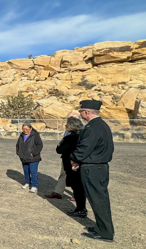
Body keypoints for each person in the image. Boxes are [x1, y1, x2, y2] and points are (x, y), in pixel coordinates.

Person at [70, 99, 115, 241]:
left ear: (87, 112)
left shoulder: (92, 128)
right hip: (100, 167)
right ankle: (101, 227)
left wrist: (74, 158)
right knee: (99, 199)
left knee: (98, 200)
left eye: (81, 111)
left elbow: (84, 148)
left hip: (93, 168)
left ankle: (105, 233)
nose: (80, 113)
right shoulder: (102, 125)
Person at [55, 117, 88, 218]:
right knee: (79, 188)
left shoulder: (70, 138)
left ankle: (80, 209)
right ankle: (81, 208)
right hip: (82, 164)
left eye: (66, 125)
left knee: (77, 188)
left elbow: (59, 150)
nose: (66, 127)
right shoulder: (84, 136)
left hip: (72, 165)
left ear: (71, 126)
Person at [46, 110, 80, 200]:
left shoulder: (83, 132)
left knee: (76, 176)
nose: (67, 121)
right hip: (66, 157)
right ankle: (58, 192)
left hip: (76, 158)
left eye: (69, 119)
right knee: (63, 173)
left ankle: (77, 194)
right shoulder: (67, 131)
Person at [16, 122, 43, 193]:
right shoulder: (21, 135)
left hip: (33, 158)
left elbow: (40, 145)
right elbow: (18, 144)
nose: (25, 130)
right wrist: (18, 153)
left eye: (27, 129)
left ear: (30, 128)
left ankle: (34, 186)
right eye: (24, 129)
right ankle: (27, 182)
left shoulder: (35, 135)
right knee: (26, 171)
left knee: (33, 172)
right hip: (24, 157)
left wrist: (33, 153)